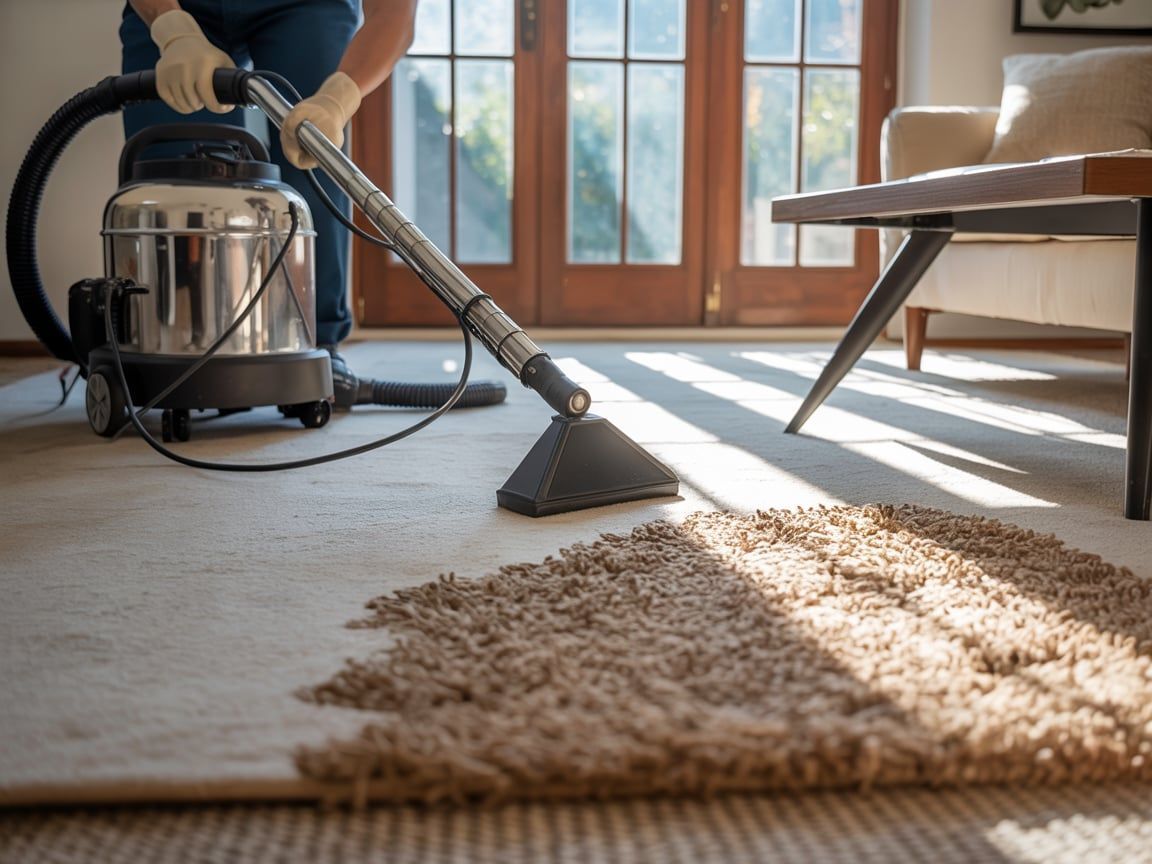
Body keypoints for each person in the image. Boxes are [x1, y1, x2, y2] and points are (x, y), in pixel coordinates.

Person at [120, 0, 419, 408]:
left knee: (314, 154)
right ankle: (185, 342)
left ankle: (317, 344)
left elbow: (395, 15)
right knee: (182, 180)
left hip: (305, 7)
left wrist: (339, 97)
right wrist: (173, 29)